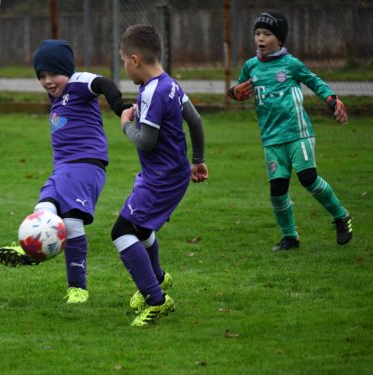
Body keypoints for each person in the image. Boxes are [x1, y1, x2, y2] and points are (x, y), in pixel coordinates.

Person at [0, 39, 129, 304]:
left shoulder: (79, 82)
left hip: (86, 165)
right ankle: (32, 249)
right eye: (41, 76)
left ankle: (77, 287)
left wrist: (120, 106)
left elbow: (104, 84)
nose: (47, 81)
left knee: (71, 222)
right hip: (63, 169)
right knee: (43, 208)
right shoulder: (57, 95)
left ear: (66, 69)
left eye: (52, 74)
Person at [228, 10, 352, 251]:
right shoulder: (251, 66)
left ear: (280, 40)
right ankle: (290, 237)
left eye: (266, 34)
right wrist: (235, 93)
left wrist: (332, 100)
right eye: (257, 34)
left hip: (298, 133)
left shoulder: (290, 64)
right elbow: (239, 91)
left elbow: (314, 81)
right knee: (277, 190)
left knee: (308, 178)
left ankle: (340, 215)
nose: (260, 39)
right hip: (271, 138)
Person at [114, 24, 209, 327]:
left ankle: (157, 299)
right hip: (169, 173)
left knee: (121, 232)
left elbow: (147, 141)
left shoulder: (152, 93)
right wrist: (198, 160)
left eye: (123, 62)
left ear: (135, 59)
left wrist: (126, 124)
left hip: (162, 179)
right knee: (140, 230)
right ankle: (157, 279)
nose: (124, 68)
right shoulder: (170, 84)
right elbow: (195, 121)